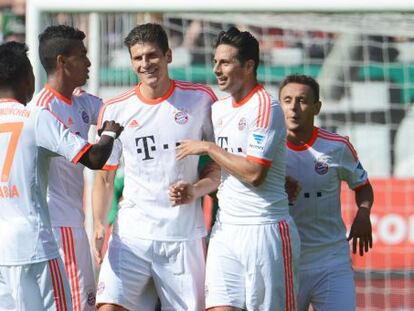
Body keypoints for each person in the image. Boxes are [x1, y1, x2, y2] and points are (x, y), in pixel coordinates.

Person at [92, 23, 219, 311]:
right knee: (108, 306)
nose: (145, 64)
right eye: (138, 58)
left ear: (168, 56)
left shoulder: (200, 99)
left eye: (152, 56)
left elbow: (218, 163)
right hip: (131, 234)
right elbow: (104, 176)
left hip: (182, 236)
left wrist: (196, 189)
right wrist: (99, 225)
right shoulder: (115, 109)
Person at [175, 26, 300, 311]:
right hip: (225, 230)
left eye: (225, 62)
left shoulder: (266, 107)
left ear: (249, 66)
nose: (217, 69)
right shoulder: (219, 109)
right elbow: (224, 172)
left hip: (264, 231)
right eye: (215, 62)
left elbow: (255, 174)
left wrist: (209, 148)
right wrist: (195, 190)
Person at [0, 41, 122, 311]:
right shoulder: (35, 116)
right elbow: (94, 158)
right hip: (37, 245)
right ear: (26, 78)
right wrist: (110, 133)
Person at [278, 74, 374, 311]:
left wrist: (363, 213)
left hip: (331, 259)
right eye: (287, 100)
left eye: (301, 100)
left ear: (316, 107)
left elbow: (363, 187)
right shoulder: (268, 149)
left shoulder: (337, 146)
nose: (293, 107)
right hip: (285, 260)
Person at [27, 24, 103, 311]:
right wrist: (108, 135)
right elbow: (94, 157)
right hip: (59, 225)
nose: (88, 62)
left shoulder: (79, 101)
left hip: (72, 221)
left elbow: (115, 111)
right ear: (62, 61)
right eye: (81, 55)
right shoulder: (43, 109)